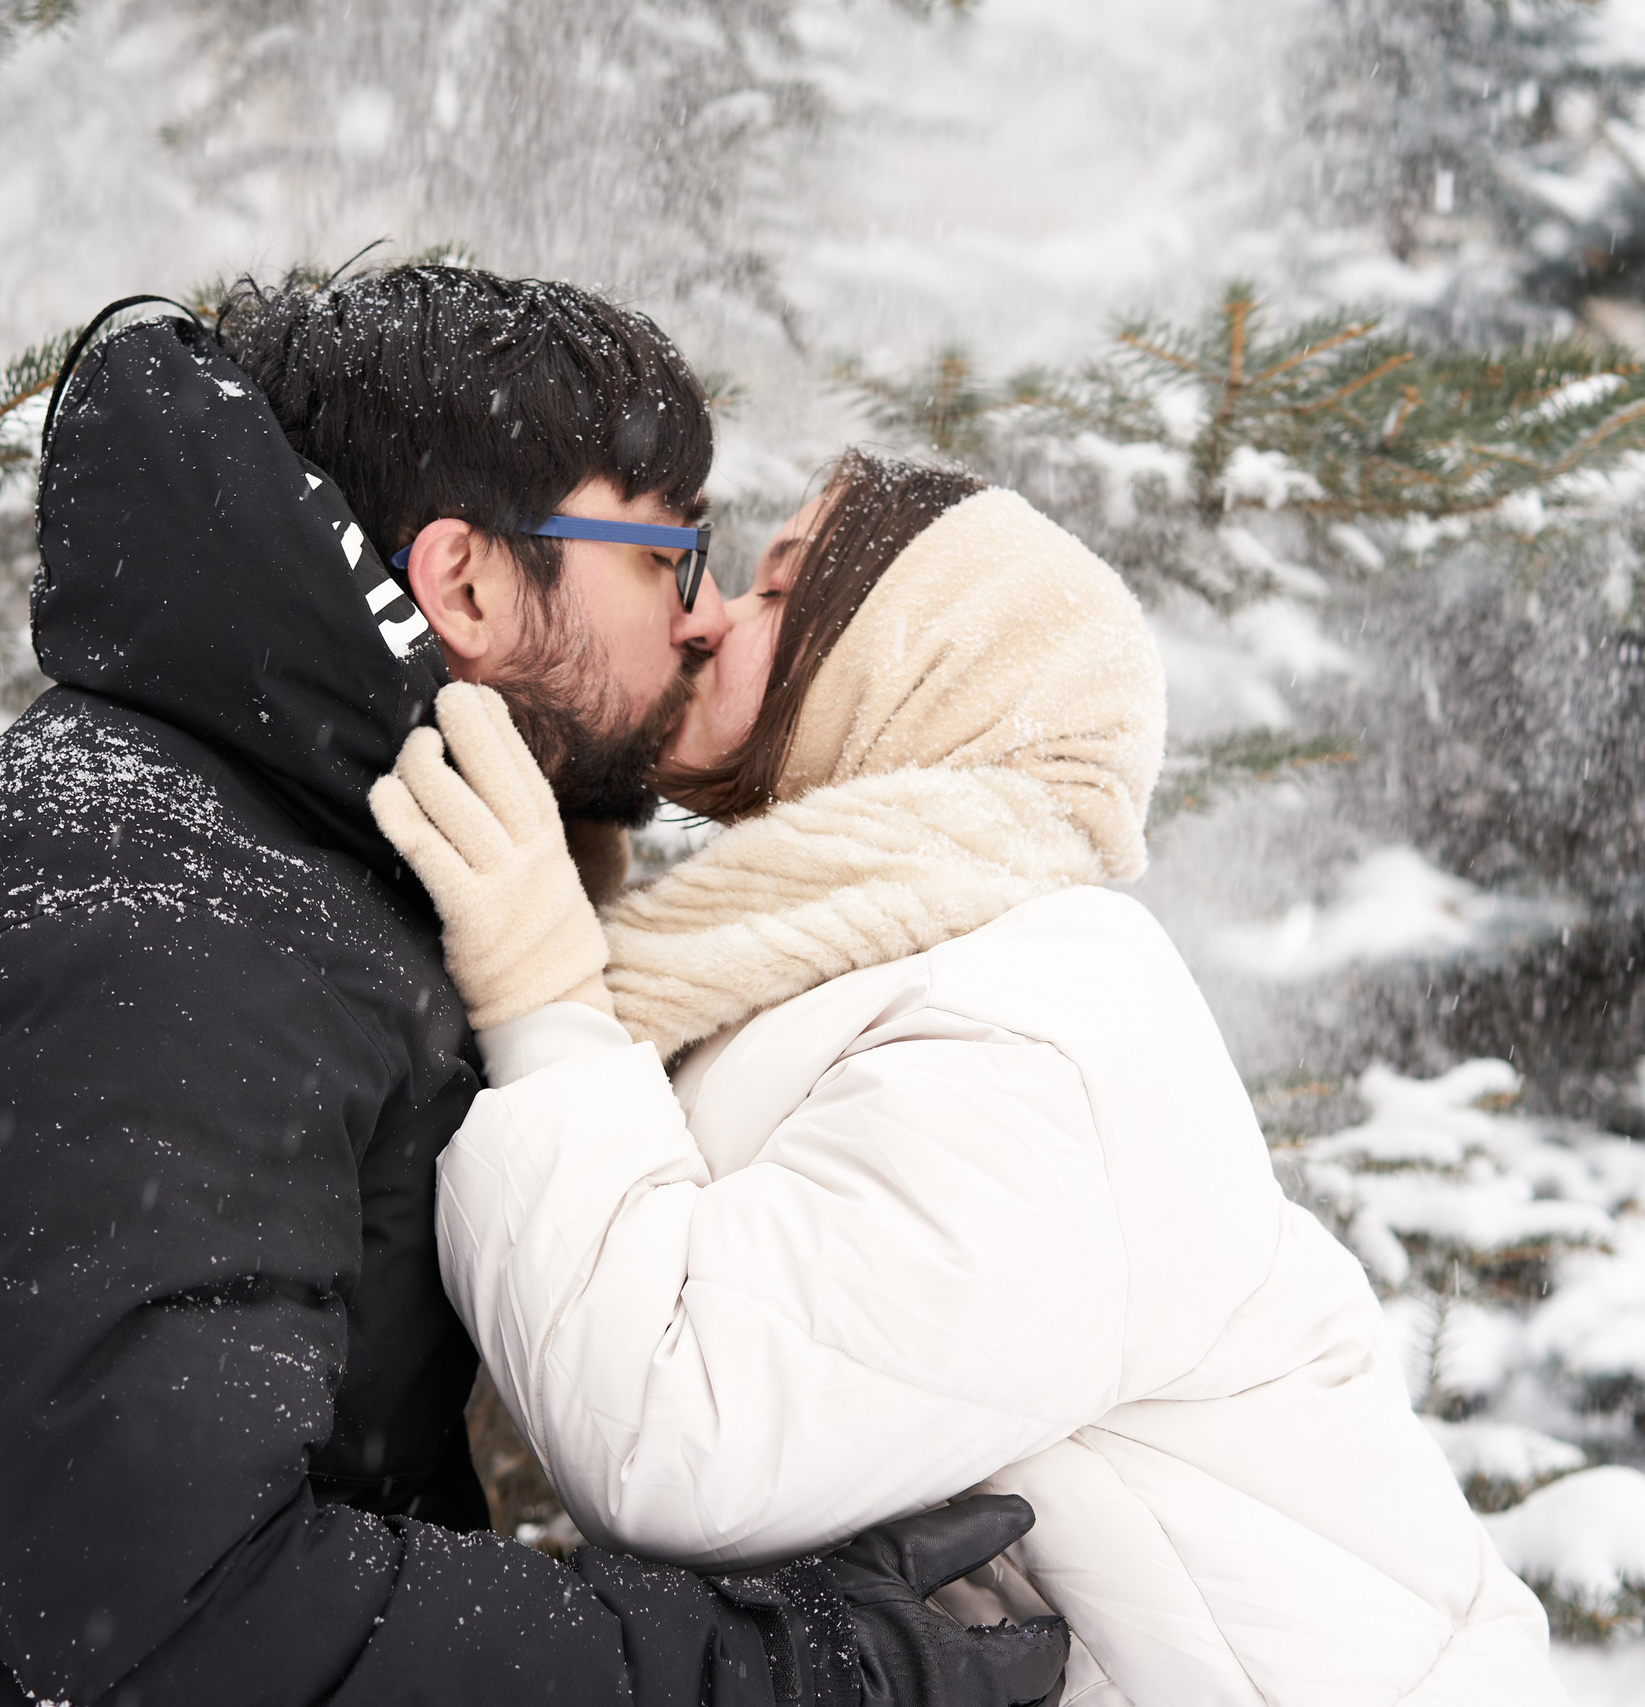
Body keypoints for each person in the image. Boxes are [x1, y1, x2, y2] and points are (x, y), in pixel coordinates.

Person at [0, 276, 1068, 1707]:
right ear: (470, 580)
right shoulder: (157, 911)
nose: (699, 620)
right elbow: (170, 1610)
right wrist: (777, 1664)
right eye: (665, 558)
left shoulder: (282, 848)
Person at [372, 450, 1573, 1707]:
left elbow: (681, 1436)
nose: (713, 611)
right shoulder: (852, 963)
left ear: (913, 664)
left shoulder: (1041, 1027)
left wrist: (549, 1000)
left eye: (784, 593)